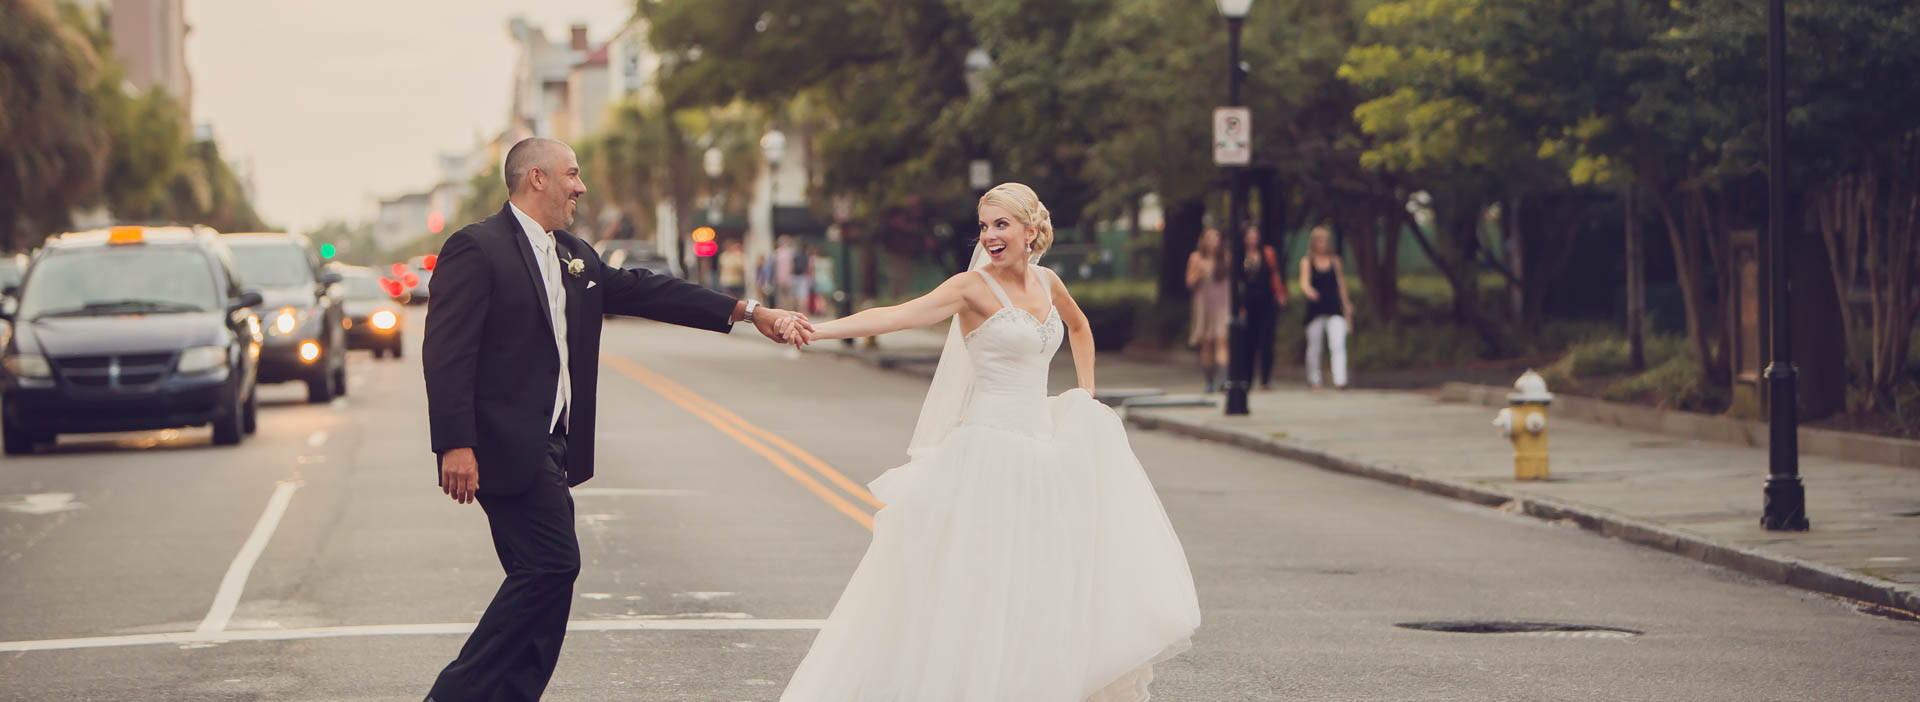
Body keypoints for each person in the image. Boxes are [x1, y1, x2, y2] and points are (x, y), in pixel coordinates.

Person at [420, 137, 810, 702]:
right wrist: (456, 444)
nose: (580, 186)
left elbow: (654, 292)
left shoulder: (573, 254)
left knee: (544, 577)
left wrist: (751, 312)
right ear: (536, 178)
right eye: (571, 174)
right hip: (501, 444)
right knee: (551, 568)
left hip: (551, 446)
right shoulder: (477, 248)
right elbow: (446, 351)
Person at [782, 182, 1200, 702]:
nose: (990, 235)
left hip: (1045, 450)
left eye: (1001, 224)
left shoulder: (1049, 282)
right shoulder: (970, 288)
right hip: (988, 452)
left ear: (1030, 229)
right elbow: (897, 315)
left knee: (1041, 583)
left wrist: (1087, 395)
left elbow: (1080, 327)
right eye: (984, 226)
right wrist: (818, 331)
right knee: (980, 586)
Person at [1298, 225, 1353, 390]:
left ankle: (1340, 380)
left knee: (1338, 343)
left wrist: (1346, 304)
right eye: (1319, 240)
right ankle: (1314, 379)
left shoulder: (1335, 261)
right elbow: (1304, 282)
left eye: (1324, 240)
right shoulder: (1307, 261)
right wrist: (1309, 291)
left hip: (1334, 306)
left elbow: (1341, 284)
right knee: (1315, 346)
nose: (1322, 244)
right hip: (1315, 309)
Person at [1241, 224, 1289, 390]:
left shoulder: (1267, 253)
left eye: (1255, 234)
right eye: (1249, 234)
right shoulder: (1239, 255)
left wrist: (1280, 293)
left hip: (1266, 301)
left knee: (1267, 340)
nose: (1253, 238)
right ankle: (1247, 377)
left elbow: (1274, 274)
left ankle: (1265, 379)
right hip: (1248, 303)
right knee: (1249, 341)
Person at [1186, 227, 1230, 392]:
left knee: (1222, 340)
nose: (1213, 241)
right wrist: (1199, 272)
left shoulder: (1225, 258)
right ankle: (1209, 380)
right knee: (1207, 344)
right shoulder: (1196, 258)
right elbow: (1189, 282)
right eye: (1210, 238)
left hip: (1223, 304)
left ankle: (1223, 379)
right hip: (1204, 305)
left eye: (1216, 237)